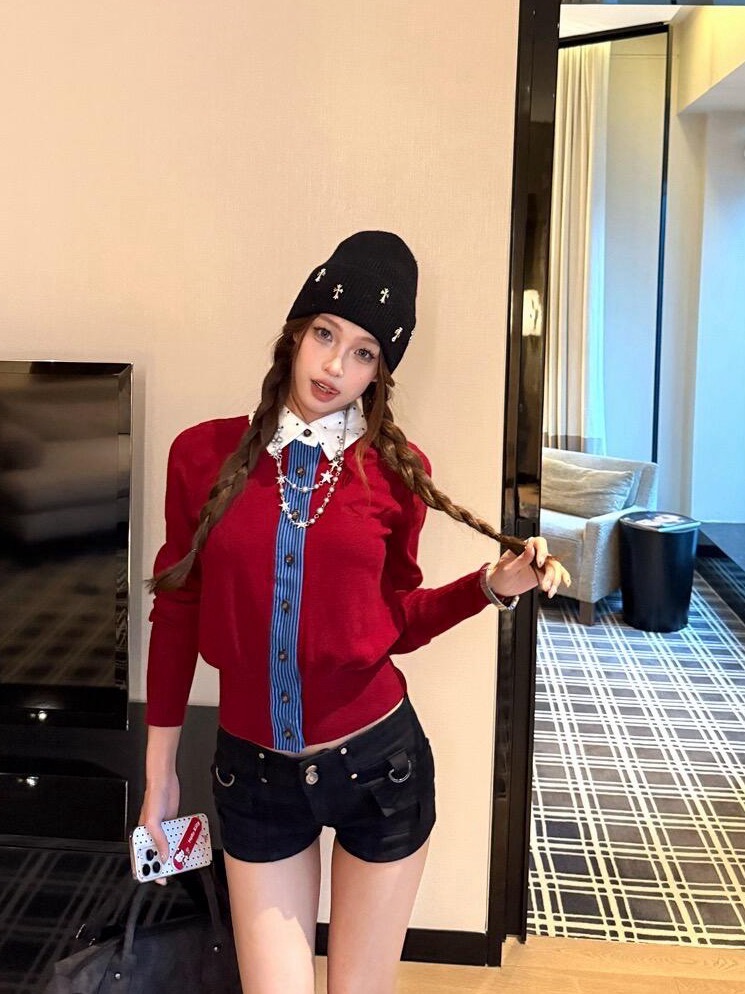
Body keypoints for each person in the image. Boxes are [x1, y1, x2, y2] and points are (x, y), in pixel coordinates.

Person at [139, 231, 571, 994]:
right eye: (324, 334)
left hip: (379, 767)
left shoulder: (396, 475)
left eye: (363, 352)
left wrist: (489, 586)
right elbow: (177, 614)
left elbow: (394, 621)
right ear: (294, 335)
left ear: (380, 372)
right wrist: (159, 775)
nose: (335, 365)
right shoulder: (200, 456)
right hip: (253, 774)